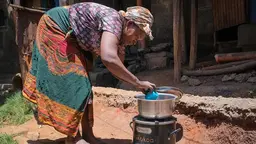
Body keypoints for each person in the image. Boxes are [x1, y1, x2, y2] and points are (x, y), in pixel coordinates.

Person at [22, 2, 155, 144]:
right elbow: (108, 58)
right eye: (139, 34)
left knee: (85, 88)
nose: (137, 40)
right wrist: (137, 82)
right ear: (129, 24)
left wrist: (135, 80)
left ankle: (87, 134)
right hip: (56, 26)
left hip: (73, 38)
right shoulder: (114, 20)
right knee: (76, 83)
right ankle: (73, 137)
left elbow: (115, 68)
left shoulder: (119, 35)